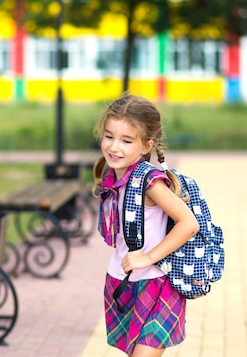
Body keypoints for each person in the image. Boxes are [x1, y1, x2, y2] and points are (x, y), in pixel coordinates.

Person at [92, 94, 199, 357]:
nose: (114, 147)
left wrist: (148, 257)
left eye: (126, 141)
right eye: (109, 137)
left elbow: (188, 223)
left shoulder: (150, 183)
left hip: (159, 284)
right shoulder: (112, 177)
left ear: (145, 146)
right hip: (123, 282)